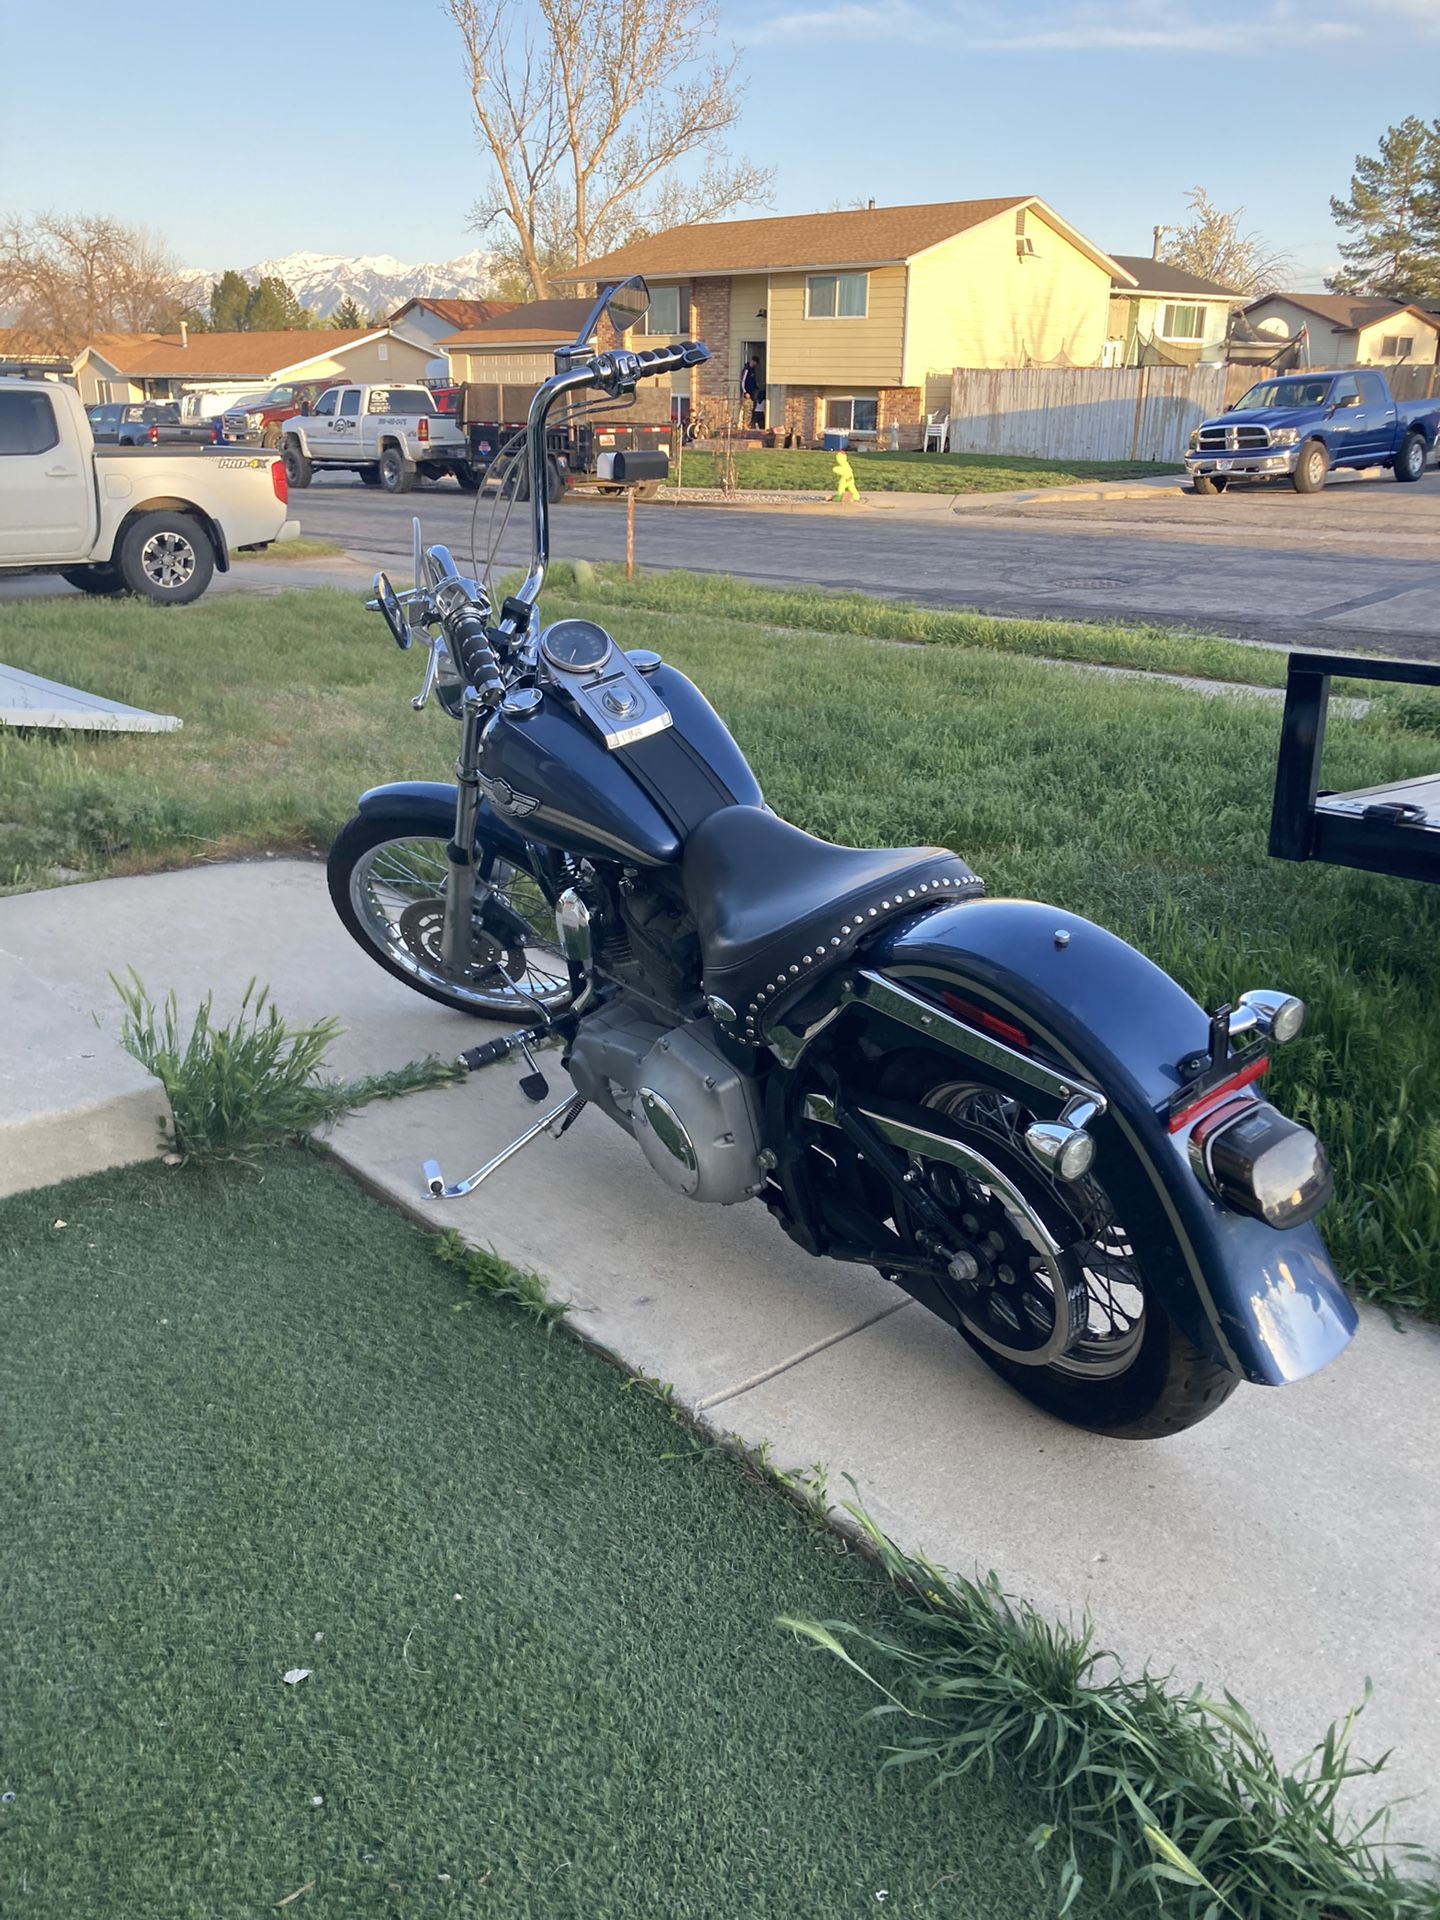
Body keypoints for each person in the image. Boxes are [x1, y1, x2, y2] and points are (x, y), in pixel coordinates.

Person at [739, 357, 759, 427]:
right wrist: (745, 392)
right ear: (751, 361)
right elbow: (743, 381)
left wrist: (756, 388)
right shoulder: (747, 369)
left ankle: (748, 423)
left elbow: (753, 381)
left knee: (751, 408)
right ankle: (745, 423)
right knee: (747, 408)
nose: (754, 364)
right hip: (747, 393)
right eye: (754, 362)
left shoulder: (753, 370)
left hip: (752, 393)